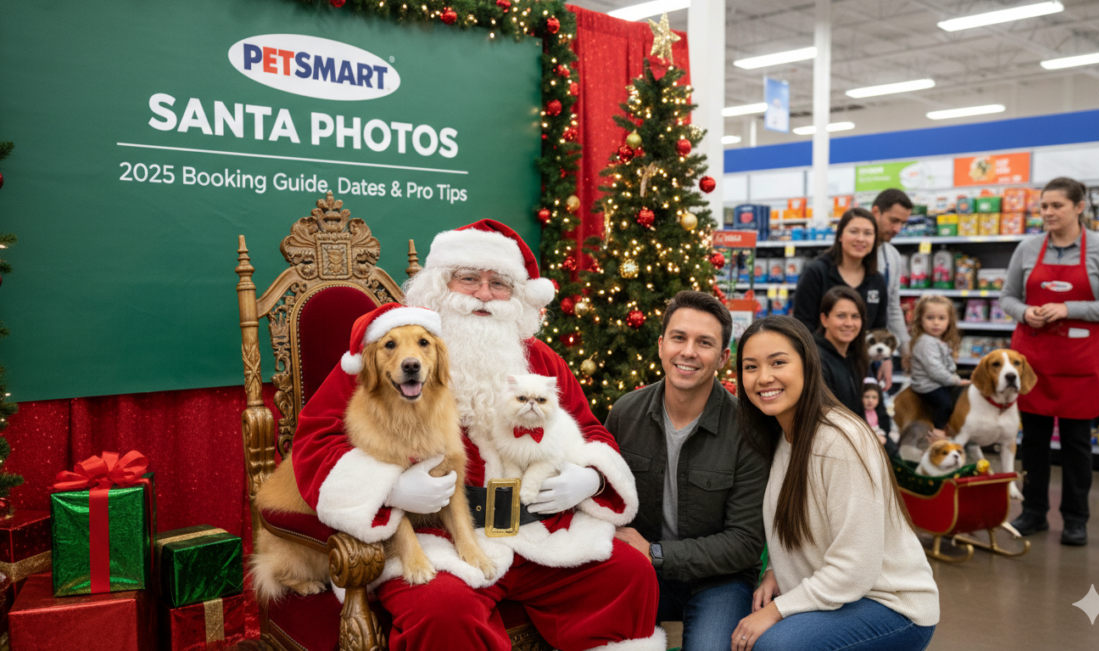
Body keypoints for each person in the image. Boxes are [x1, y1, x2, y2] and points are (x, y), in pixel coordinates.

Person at [288, 219, 662, 651]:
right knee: (444, 611)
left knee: (630, 574)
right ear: (439, 286)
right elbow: (316, 439)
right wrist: (388, 488)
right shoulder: (395, 349)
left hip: (537, 531)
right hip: (437, 539)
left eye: (499, 283)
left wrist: (591, 477)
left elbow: (590, 428)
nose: (484, 294)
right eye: (469, 279)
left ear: (516, 296)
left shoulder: (539, 358)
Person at [730, 316, 939, 651]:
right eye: (751, 367)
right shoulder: (783, 434)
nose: (763, 377)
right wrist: (775, 571)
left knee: (774, 645)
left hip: (892, 606)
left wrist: (778, 610)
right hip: (845, 597)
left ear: (808, 366)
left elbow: (855, 568)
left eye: (778, 362)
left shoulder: (839, 441)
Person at [607, 291, 768, 651]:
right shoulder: (625, 413)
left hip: (719, 580)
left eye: (705, 343)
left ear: (724, 358)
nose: (688, 352)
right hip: (640, 571)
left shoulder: (748, 430)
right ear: (662, 344)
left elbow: (745, 543)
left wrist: (656, 553)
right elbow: (606, 500)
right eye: (679, 338)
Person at [1002, 177, 1099, 547]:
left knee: (1076, 444)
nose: (1047, 213)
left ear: (1078, 207)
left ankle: (1076, 519)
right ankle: (1034, 512)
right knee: (1035, 442)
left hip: (1080, 363)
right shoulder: (1027, 249)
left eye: (1056, 206)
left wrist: (1067, 308)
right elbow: (1007, 296)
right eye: (1043, 206)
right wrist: (1026, 313)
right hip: (1035, 360)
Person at [793, 208, 888, 337]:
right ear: (840, 236)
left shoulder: (877, 280)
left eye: (868, 233)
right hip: (819, 355)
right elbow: (802, 325)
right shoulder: (816, 273)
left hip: (863, 356)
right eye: (854, 232)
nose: (861, 239)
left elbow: (878, 329)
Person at [907, 295, 971, 439]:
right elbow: (935, 371)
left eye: (941, 318)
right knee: (945, 404)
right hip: (928, 385)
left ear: (949, 321)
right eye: (930, 318)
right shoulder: (926, 343)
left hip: (939, 381)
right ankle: (939, 430)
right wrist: (956, 381)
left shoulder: (939, 341)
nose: (936, 323)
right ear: (920, 320)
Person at [871, 189, 915, 388]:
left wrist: (906, 348)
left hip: (877, 349)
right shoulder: (853, 252)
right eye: (893, 220)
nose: (897, 229)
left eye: (902, 223)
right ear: (875, 212)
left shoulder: (893, 256)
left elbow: (892, 306)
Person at [812, 286, 868, 418]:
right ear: (825, 319)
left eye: (855, 316)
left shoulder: (855, 355)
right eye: (841, 316)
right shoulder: (815, 357)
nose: (849, 323)